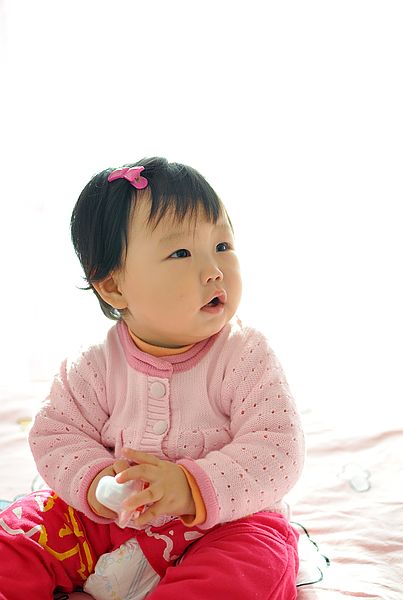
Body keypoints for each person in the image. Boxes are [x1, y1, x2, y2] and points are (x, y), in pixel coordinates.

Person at [0, 156, 305, 600]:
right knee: (21, 533)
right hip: (112, 522)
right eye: (181, 252)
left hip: (226, 524)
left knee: (256, 565)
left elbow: (277, 448)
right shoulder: (93, 365)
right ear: (114, 286)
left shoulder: (246, 356)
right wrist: (101, 484)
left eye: (222, 245)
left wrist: (189, 486)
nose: (214, 269)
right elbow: (56, 435)